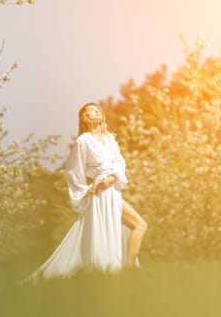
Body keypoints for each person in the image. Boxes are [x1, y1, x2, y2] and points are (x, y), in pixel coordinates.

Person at [31, 102, 147, 279]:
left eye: (97, 109)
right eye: (91, 111)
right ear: (85, 118)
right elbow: (71, 170)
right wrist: (85, 190)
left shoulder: (110, 139)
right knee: (108, 231)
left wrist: (113, 177)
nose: (96, 112)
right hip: (100, 192)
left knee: (140, 225)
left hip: (113, 190)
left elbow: (120, 163)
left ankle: (127, 270)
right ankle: (119, 272)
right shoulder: (83, 141)